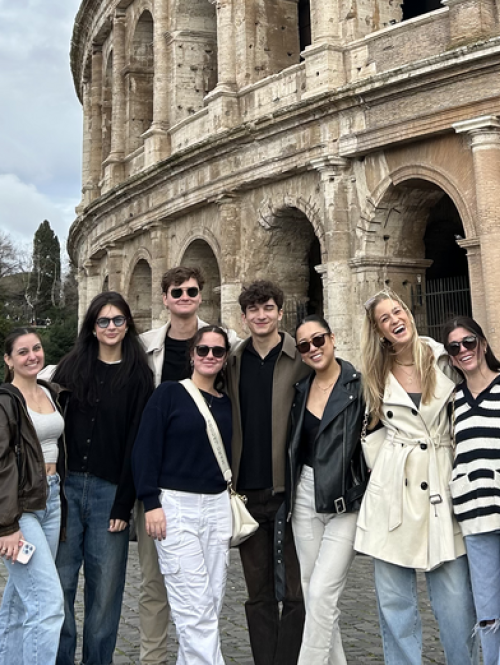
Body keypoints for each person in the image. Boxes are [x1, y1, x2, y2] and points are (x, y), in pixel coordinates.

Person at [356, 290, 477, 665]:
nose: (395, 320)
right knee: (394, 603)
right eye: (384, 319)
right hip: (394, 488)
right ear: (378, 331)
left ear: (408, 313)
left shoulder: (443, 357)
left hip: (443, 482)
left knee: (456, 601)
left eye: (398, 311)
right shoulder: (373, 373)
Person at [134, 265, 238, 665]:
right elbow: (145, 447)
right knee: (189, 604)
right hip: (174, 505)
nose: (210, 355)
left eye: (217, 351)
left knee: (208, 602)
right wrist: (150, 500)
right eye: (203, 351)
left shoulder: (228, 402)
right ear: (191, 355)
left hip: (215, 506)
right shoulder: (167, 393)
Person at [50, 292, 154, 665]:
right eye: (103, 321)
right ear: (92, 327)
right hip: (66, 489)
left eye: (118, 320)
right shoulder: (70, 367)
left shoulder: (140, 374)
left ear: (128, 324)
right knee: (60, 585)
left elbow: (137, 442)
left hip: (110, 493)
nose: (111, 327)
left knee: (105, 592)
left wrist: (124, 503)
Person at [226, 280, 311, 665]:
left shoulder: (301, 357)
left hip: (289, 489)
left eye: (268, 308)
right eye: (253, 310)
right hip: (247, 490)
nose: (261, 316)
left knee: (295, 590)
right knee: (258, 591)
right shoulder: (232, 361)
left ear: (280, 311)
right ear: (243, 317)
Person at [0, 327, 68, 665]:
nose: (32, 356)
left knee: (19, 602)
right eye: (23, 352)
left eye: (37, 349)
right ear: (8, 359)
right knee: (47, 604)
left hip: (51, 502)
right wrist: (8, 525)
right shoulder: (5, 401)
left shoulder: (49, 391)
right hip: (20, 509)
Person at [443, 316, 500, 665]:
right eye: (455, 347)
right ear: (450, 358)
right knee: (488, 618)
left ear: (482, 343)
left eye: (468, 342)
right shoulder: (453, 401)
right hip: (474, 518)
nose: (464, 351)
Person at [281, 315, 368, 665]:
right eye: (305, 345)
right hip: (305, 493)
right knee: (312, 592)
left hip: (345, 498)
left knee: (321, 592)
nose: (313, 349)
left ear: (332, 339)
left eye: (318, 340)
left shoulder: (359, 386)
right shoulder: (301, 390)